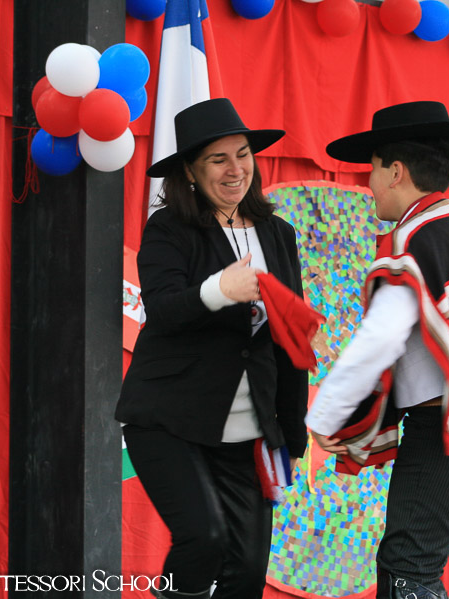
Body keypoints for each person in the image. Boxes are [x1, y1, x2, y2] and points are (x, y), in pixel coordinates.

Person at [306, 101, 449, 599]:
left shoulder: (416, 241)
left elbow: (380, 337)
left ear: (396, 172)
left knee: (405, 569)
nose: (369, 183)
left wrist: (325, 416)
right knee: (417, 562)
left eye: (371, 169)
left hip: (448, 433)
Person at [115, 98, 308, 599]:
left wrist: (292, 434)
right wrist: (220, 289)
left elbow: (288, 340)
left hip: (249, 432)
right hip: (169, 420)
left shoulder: (278, 234)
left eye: (242, 155)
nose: (235, 169)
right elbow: (163, 309)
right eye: (218, 159)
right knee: (204, 538)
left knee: (247, 570)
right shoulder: (169, 229)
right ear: (190, 171)